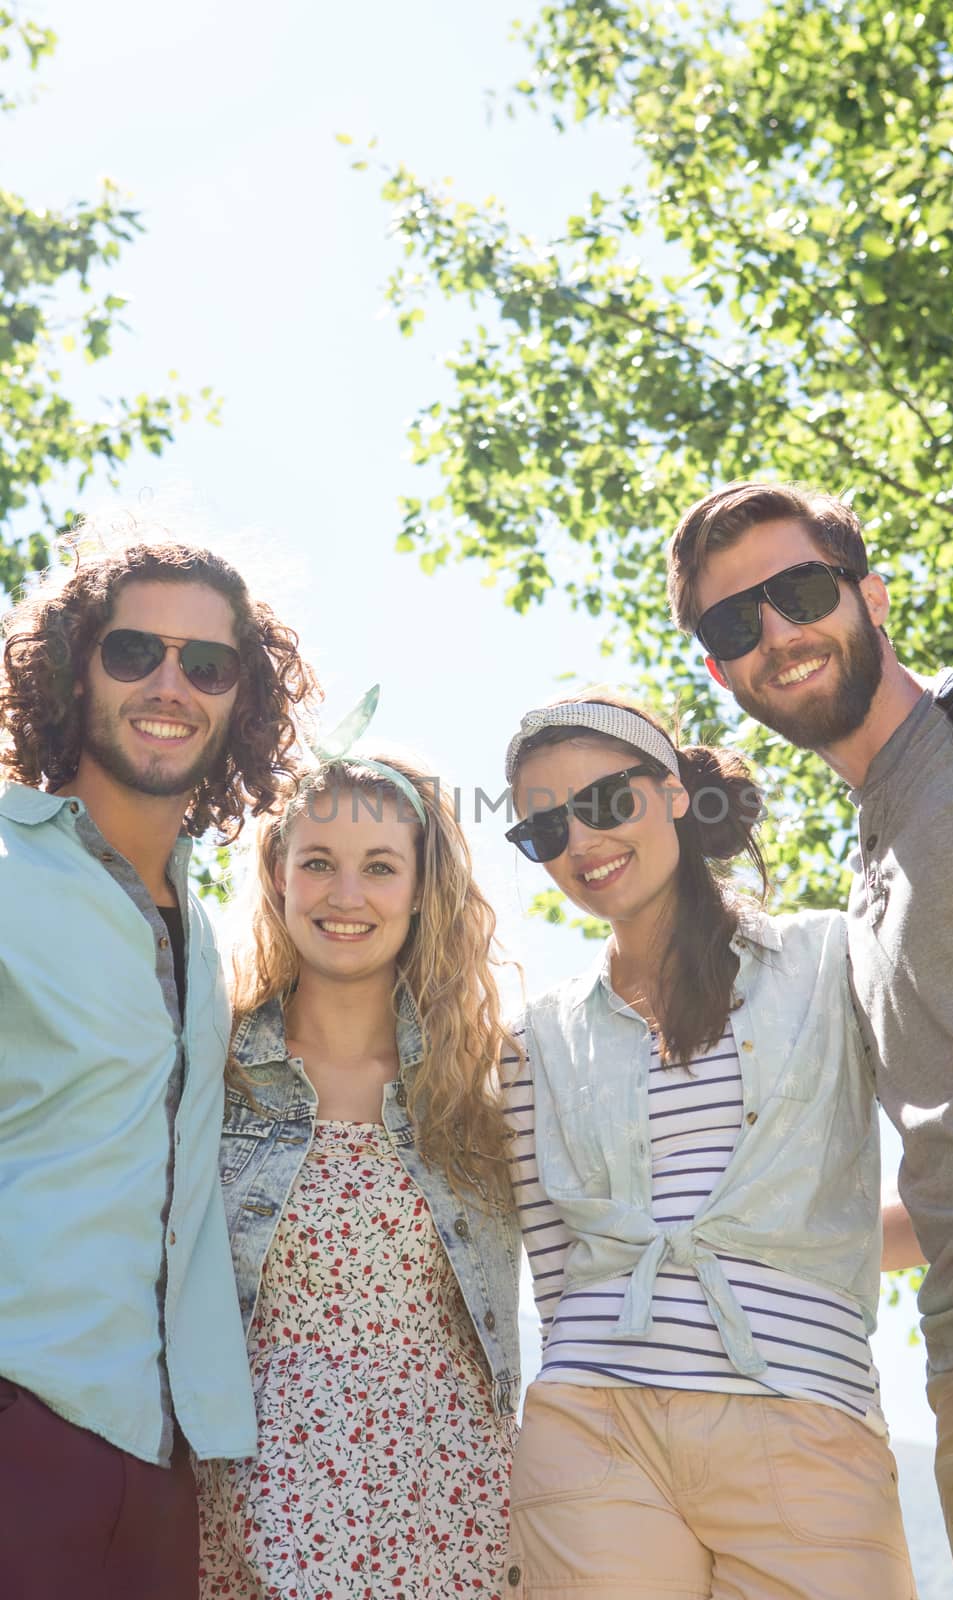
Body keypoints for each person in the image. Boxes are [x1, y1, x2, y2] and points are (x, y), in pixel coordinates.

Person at [668, 479, 953, 1599]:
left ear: (870, 594)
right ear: (717, 670)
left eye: (799, 591)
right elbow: (951, 1167)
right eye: (733, 624)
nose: (778, 634)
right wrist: (721, 1249)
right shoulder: (858, 887)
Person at [498, 690, 915, 1600]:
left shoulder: (829, 960)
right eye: (544, 828)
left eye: (605, 802)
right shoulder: (533, 1036)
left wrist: (822, 1249)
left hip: (808, 1415)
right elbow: (557, 1271)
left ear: (675, 793)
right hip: (590, 1424)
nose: (581, 841)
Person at [0, 529, 318, 1600]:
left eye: (207, 663)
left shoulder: (215, 931)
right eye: (134, 651)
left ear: (240, 702)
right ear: (72, 667)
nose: (170, 683)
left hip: (160, 1457)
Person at [197, 731, 522, 1599]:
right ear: (277, 875)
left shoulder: (478, 1092)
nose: (346, 896)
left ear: (422, 891)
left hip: (455, 1516)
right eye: (318, 863)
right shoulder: (206, 1070)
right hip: (251, 1510)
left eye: (380, 866)